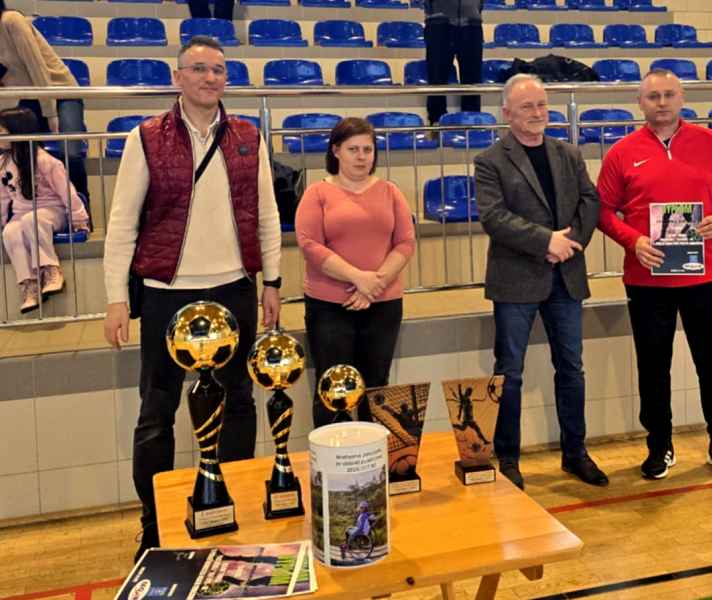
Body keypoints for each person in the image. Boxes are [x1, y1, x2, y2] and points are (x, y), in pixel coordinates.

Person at [102, 36, 282, 561]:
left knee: (239, 402)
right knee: (157, 409)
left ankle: (228, 504)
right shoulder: (145, 138)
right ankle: (153, 525)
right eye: (199, 69)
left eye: (218, 70)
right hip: (166, 293)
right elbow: (121, 223)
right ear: (177, 77)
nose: (210, 78)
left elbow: (267, 214)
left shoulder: (249, 136)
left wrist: (272, 282)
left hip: (235, 288)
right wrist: (117, 298)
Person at [597, 68, 712, 481]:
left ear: (682, 98)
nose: (662, 103)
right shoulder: (621, 153)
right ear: (640, 103)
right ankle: (659, 446)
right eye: (653, 96)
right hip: (647, 281)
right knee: (653, 369)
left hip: (705, 278)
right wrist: (633, 240)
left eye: (669, 95)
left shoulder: (711, 142)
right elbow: (602, 211)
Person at [474, 73, 607, 490]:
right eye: (527, 106)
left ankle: (575, 453)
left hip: (565, 276)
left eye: (542, 105)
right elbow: (493, 217)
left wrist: (567, 244)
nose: (537, 113)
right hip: (516, 280)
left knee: (571, 369)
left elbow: (591, 201)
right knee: (509, 372)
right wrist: (545, 241)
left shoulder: (568, 153)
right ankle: (508, 458)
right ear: (507, 113)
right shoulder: (490, 160)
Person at [295, 117, 415, 428]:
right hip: (329, 306)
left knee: (376, 386)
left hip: (383, 303)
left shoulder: (390, 192)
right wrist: (358, 278)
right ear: (336, 151)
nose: (362, 156)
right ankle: (333, 456)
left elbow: (405, 242)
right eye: (353, 149)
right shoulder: (317, 193)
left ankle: (372, 454)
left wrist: (374, 284)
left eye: (367, 149)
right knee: (332, 387)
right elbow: (310, 245)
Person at [0, 0, 91, 206]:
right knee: (21, 156)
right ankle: (37, 209)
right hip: (29, 98)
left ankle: (83, 210)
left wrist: (50, 112)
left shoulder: (11, 20)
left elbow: (37, 67)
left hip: (60, 91)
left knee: (71, 153)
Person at [0, 107, 89, 313]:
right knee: (10, 232)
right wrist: (3, 222)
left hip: (52, 211)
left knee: (32, 220)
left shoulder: (46, 161)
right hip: (22, 213)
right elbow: (3, 198)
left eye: (2, 132)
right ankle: (29, 283)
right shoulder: (3, 164)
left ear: (18, 133)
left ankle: (51, 270)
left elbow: (67, 192)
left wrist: (79, 219)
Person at [424, 0, 483, 126]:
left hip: (472, 25)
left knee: (473, 81)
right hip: (439, 24)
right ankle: (436, 122)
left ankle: (471, 122)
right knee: (437, 78)